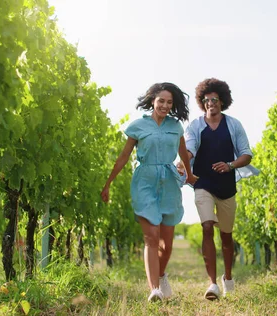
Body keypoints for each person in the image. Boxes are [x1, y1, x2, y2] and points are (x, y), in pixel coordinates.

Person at [101, 82, 198, 302]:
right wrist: (108, 183)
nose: (165, 105)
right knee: (151, 237)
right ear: (152, 101)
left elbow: (183, 153)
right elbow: (124, 156)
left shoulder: (175, 127)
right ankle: (154, 288)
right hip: (144, 180)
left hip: (169, 182)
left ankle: (161, 275)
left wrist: (190, 175)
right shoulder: (138, 126)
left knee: (167, 243)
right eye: (161, 101)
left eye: (169, 102)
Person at [178, 78, 259, 300]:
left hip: (227, 187)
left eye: (214, 99)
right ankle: (212, 284)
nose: (210, 103)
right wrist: (184, 162)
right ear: (202, 103)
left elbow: (246, 153)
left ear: (222, 101)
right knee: (206, 226)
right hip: (202, 183)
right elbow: (190, 146)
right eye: (206, 100)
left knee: (226, 236)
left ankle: (228, 277)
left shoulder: (233, 125)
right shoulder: (195, 125)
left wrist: (230, 164)